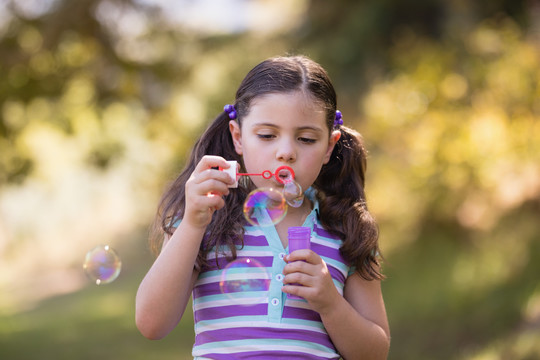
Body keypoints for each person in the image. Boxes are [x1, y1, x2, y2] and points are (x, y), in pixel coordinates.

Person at [136, 55, 390, 359]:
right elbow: (152, 324)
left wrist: (330, 303)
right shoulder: (206, 219)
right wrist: (191, 224)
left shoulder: (348, 230)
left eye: (306, 139)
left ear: (329, 146)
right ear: (238, 137)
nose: (286, 152)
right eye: (267, 135)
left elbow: (374, 353)